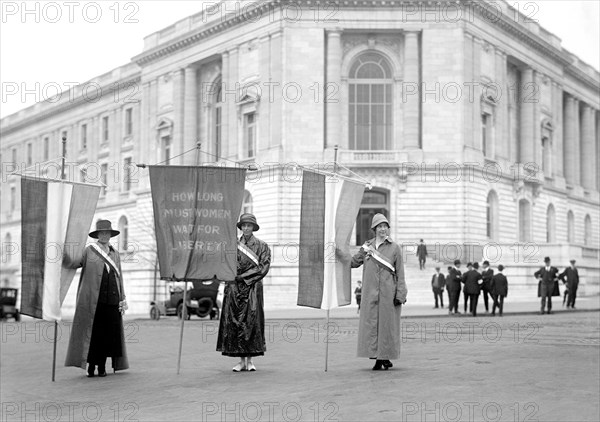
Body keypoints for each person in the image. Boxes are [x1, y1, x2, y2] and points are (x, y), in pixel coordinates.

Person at [65, 220, 129, 377]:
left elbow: (119, 276)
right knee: (94, 335)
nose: (105, 236)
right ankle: (91, 366)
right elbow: (75, 262)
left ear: (110, 235)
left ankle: (102, 366)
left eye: (108, 233)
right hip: (95, 302)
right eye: (102, 233)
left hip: (112, 301)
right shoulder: (89, 251)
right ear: (97, 235)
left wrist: (122, 297)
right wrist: (64, 252)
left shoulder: (115, 253)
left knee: (109, 336)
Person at [350, 213, 407, 370]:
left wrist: (401, 293)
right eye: (380, 226)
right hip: (370, 293)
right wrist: (339, 254)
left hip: (389, 293)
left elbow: (400, 272)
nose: (383, 229)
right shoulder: (367, 247)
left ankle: (382, 358)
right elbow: (354, 262)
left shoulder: (395, 248)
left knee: (387, 326)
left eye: (385, 226)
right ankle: (380, 357)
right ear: (374, 229)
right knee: (372, 326)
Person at [217, 213, 271, 372]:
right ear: (241, 228)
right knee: (235, 322)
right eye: (244, 225)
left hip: (252, 287)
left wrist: (243, 277)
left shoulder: (262, 246)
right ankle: (240, 360)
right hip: (234, 288)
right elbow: (224, 264)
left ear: (254, 227)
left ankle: (250, 360)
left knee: (252, 322)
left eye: (249, 225)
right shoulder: (231, 246)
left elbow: (263, 268)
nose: (246, 228)